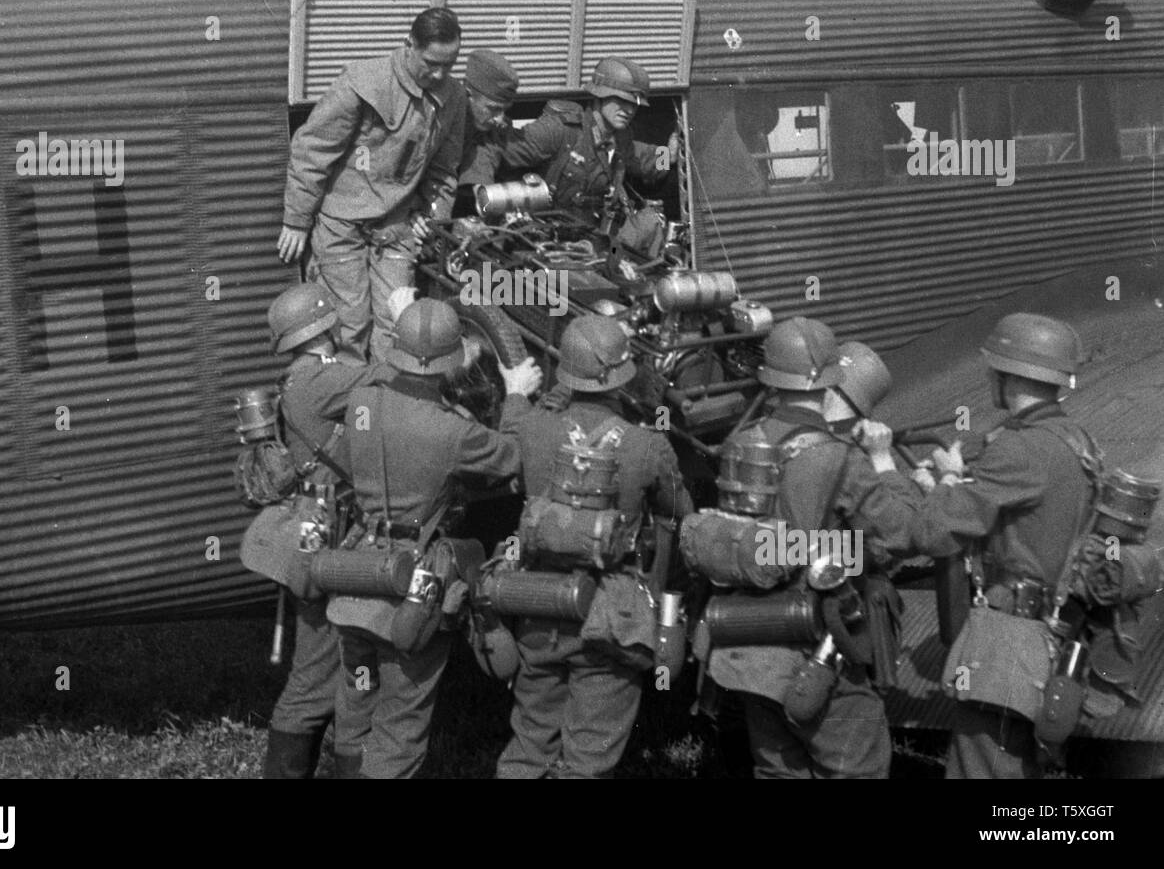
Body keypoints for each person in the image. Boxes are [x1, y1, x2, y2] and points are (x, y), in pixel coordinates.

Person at [856, 312, 1158, 779]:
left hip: (1008, 648)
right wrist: (955, 474)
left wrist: (887, 467)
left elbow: (925, 534)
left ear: (1008, 375)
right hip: (1050, 633)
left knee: (984, 770)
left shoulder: (1020, 451)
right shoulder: (1074, 439)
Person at [329, 298, 542, 778]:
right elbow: (514, 457)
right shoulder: (451, 433)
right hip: (413, 589)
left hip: (356, 574)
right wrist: (516, 395)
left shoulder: (363, 401)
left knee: (357, 702)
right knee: (401, 725)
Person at [706, 317, 922, 779]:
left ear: (770, 377)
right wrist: (885, 465)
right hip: (822, 647)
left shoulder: (741, 443)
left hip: (754, 645)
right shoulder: (840, 458)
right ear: (833, 379)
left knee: (779, 772)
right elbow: (901, 535)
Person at [496, 314, 693, 778]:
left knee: (530, 737)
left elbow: (507, 447)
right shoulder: (647, 445)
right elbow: (680, 512)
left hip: (541, 603)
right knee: (589, 756)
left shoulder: (532, 429)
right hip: (613, 614)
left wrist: (514, 394)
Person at [259, 282, 396, 779]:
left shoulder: (299, 379)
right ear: (324, 327)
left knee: (349, 671)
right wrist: (402, 321)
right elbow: (387, 373)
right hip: (329, 539)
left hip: (322, 532)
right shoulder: (320, 383)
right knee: (315, 679)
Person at [277, 8, 467, 361]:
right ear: (408, 44)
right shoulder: (364, 82)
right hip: (341, 225)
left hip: (395, 227)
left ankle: (384, 408)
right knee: (349, 326)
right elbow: (312, 149)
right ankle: (354, 408)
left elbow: (444, 169)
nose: (440, 73)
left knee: (398, 323)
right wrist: (297, 219)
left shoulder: (453, 97)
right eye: (431, 63)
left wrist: (432, 215)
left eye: (450, 64)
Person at [495, 56, 677, 228]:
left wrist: (669, 154)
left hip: (587, 239)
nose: (629, 110)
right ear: (600, 95)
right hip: (539, 234)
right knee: (486, 262)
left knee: (649, 226)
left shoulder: (620, 141)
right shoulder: (560, 131)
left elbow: (645, 160)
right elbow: (500, 152)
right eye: (621, 100)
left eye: (634, 104)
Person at [456, 48, 520, 191]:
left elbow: (486, 154)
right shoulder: (441, 119)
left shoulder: (497, 125)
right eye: (494, 109)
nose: (500, 119)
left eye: (504, 109)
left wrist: (480, 190)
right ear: (468, 93)